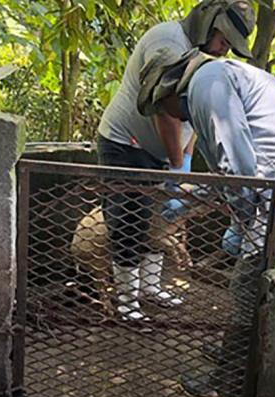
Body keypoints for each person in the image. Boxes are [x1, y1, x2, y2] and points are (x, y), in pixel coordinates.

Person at [138, 48, 275, 397]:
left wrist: (239, 221)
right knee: (251, 283)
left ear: (169, 90)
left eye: (161, 108)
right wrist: (195, 201)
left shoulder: (207, 85)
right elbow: (229, 171)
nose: (167, 116)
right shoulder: (216, 79)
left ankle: (229, 380)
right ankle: (235, 358)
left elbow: (239, 172)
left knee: (249, 287)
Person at [96, 0, 256, 321]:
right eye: (224, 42)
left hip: (160, 152)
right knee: (129, 219)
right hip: (125, 143)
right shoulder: (168, 43)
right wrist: (175, 164)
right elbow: (167, 111)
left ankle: (149, 287)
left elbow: (193, 116)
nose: (224, 51)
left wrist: (184, 158)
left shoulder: (202, 58)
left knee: (159, 220)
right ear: (208, 25)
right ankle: (127, 301)